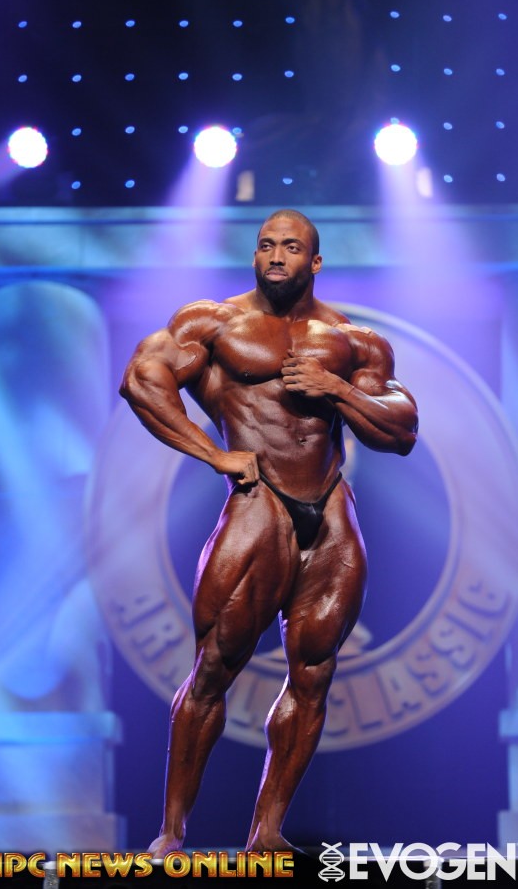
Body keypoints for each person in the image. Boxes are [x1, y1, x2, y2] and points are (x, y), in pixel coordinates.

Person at [120, 209, 418, 856]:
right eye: (265, 246)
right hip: (260, 504)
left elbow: (401, 431)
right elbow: (142, 380)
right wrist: (213, 453)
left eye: (290, 247)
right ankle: (172, 832)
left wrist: (335, 389)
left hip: (330, 509)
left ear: (315, 261)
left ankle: (268, 831)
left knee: (314, 674)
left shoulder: (354, 340)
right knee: (214, 668)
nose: (276, 256)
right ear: (254, 256)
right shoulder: (213, 323)